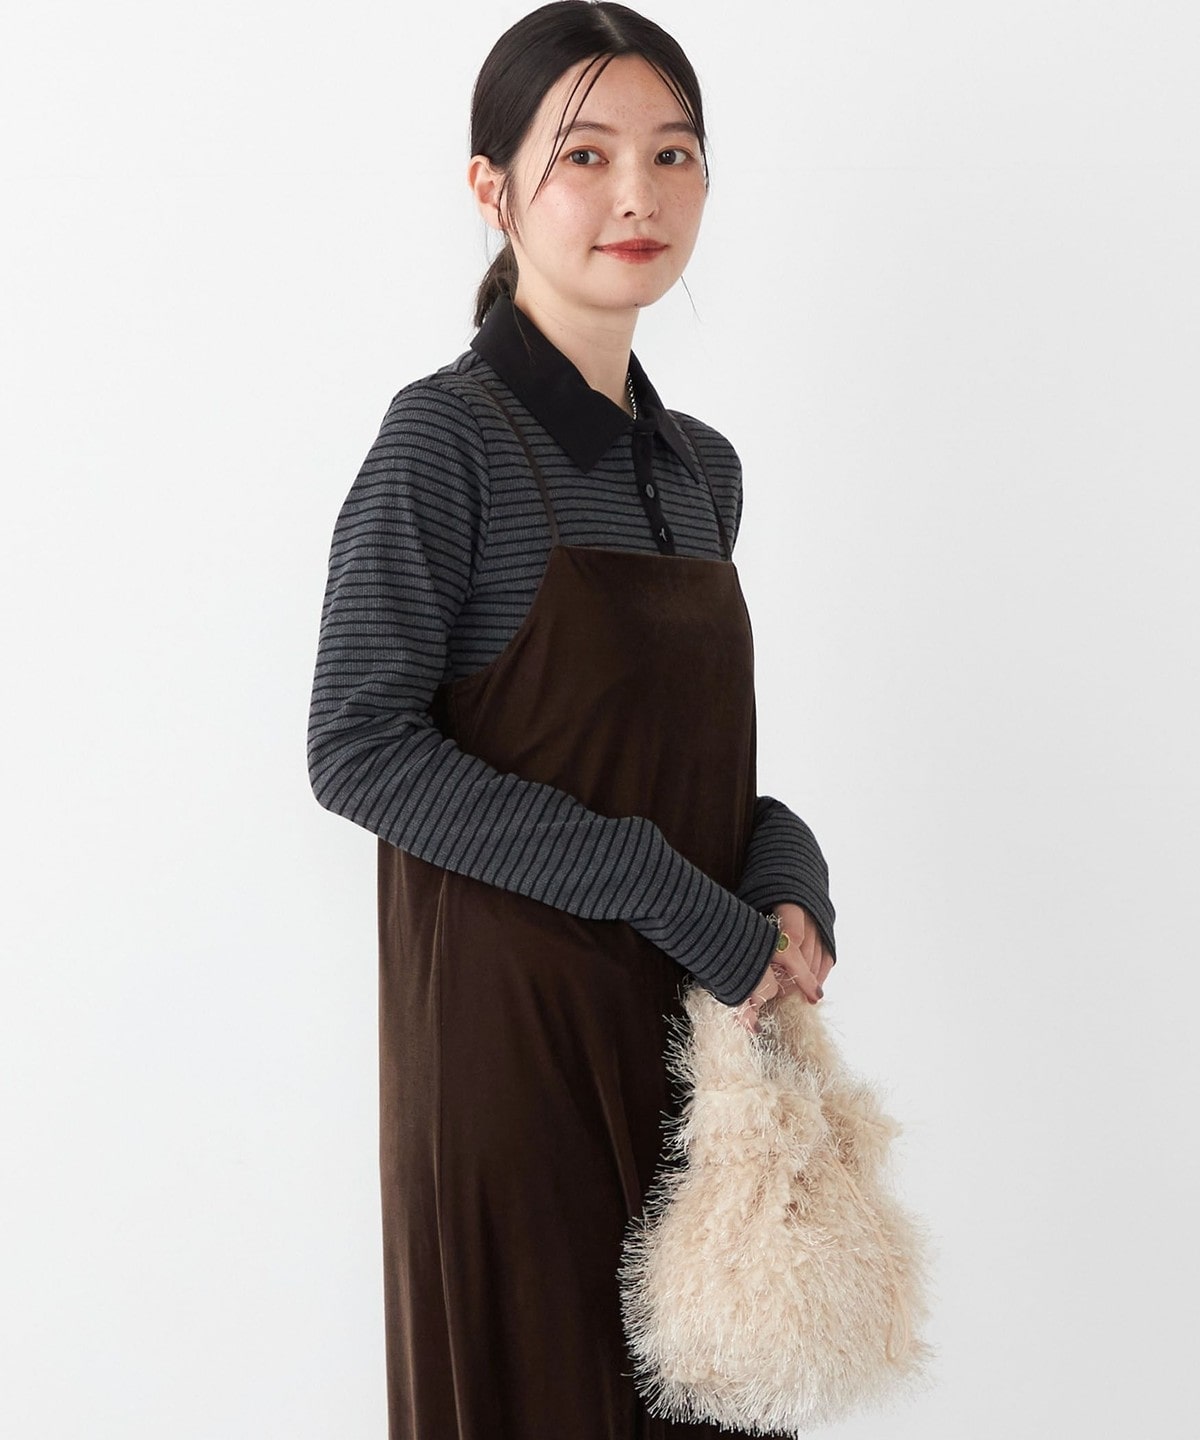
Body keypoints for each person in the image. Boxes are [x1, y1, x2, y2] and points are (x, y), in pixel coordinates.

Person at [307, 3, 837, 1435]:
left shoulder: (702, 469)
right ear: (492, 188)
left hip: (700, 1060)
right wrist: (668, 891)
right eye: (586, 154)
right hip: (517, 1059)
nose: (637, 195)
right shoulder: (445, 440)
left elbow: (688, 760)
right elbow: (357, 744)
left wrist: (786, 876)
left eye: (674, 154)